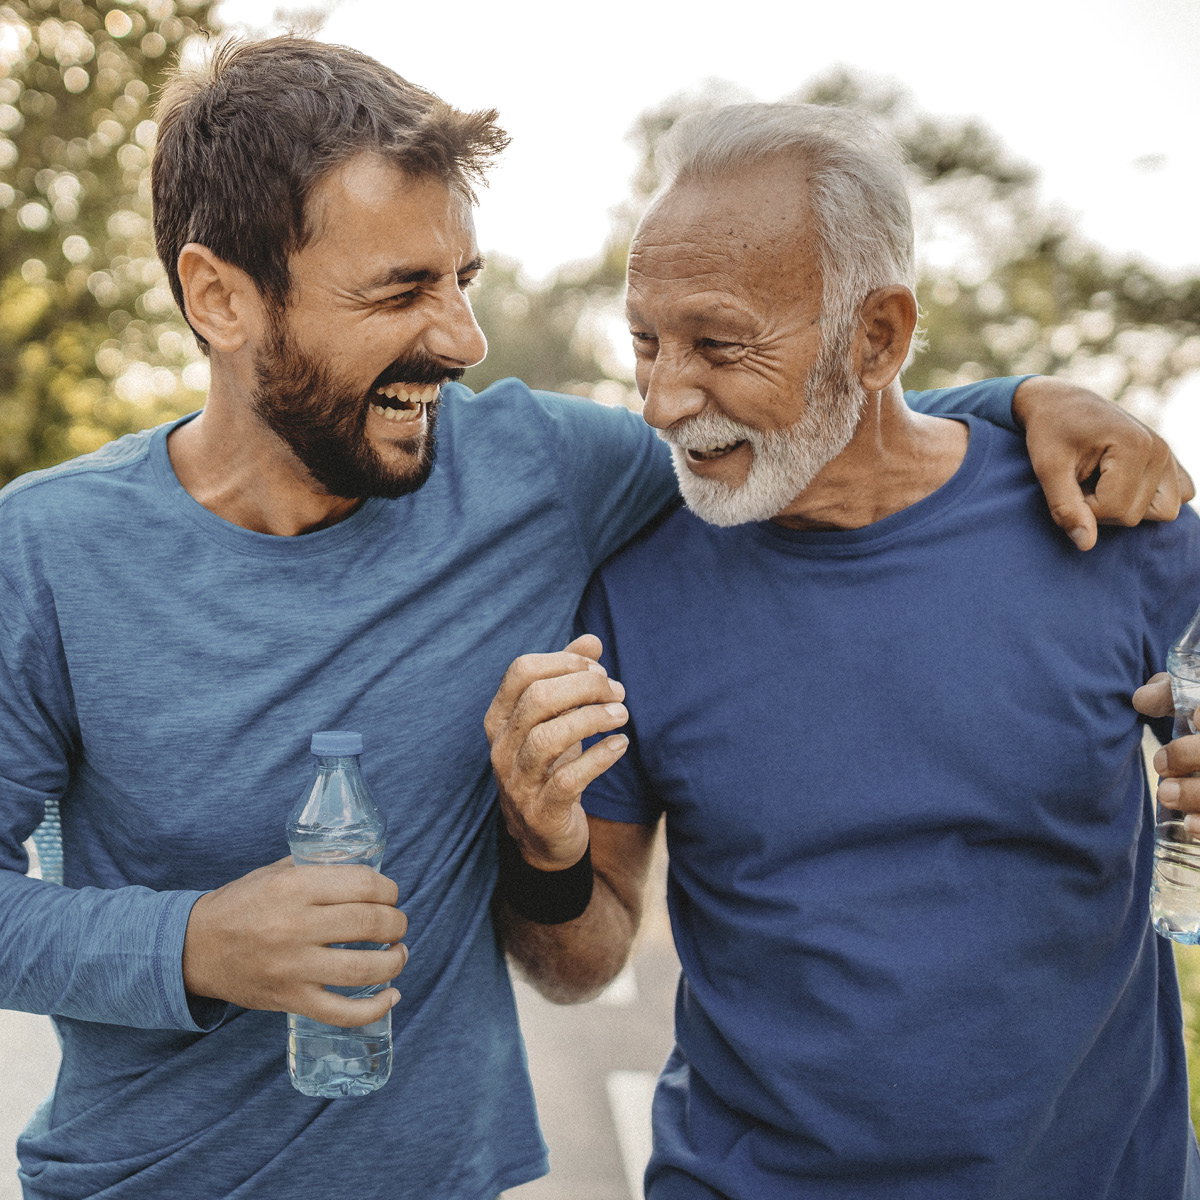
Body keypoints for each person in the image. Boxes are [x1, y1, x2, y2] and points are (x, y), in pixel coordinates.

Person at [0, 35, 1188, 1200]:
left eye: (460, 281)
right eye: (400, 290)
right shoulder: (45, 554)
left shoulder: (535, 472)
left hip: (455, 1179)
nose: (461, 340)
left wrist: (1033, 401)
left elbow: (808, 427)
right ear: (219, 298)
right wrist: (192, 944)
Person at [485, 101, 1200, 1199]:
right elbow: (582, 964)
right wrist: (543, 849)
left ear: (877, 337)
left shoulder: (1106, 520)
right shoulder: (632, 585)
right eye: (644, 340)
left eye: (719, 344)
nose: (663, 398)